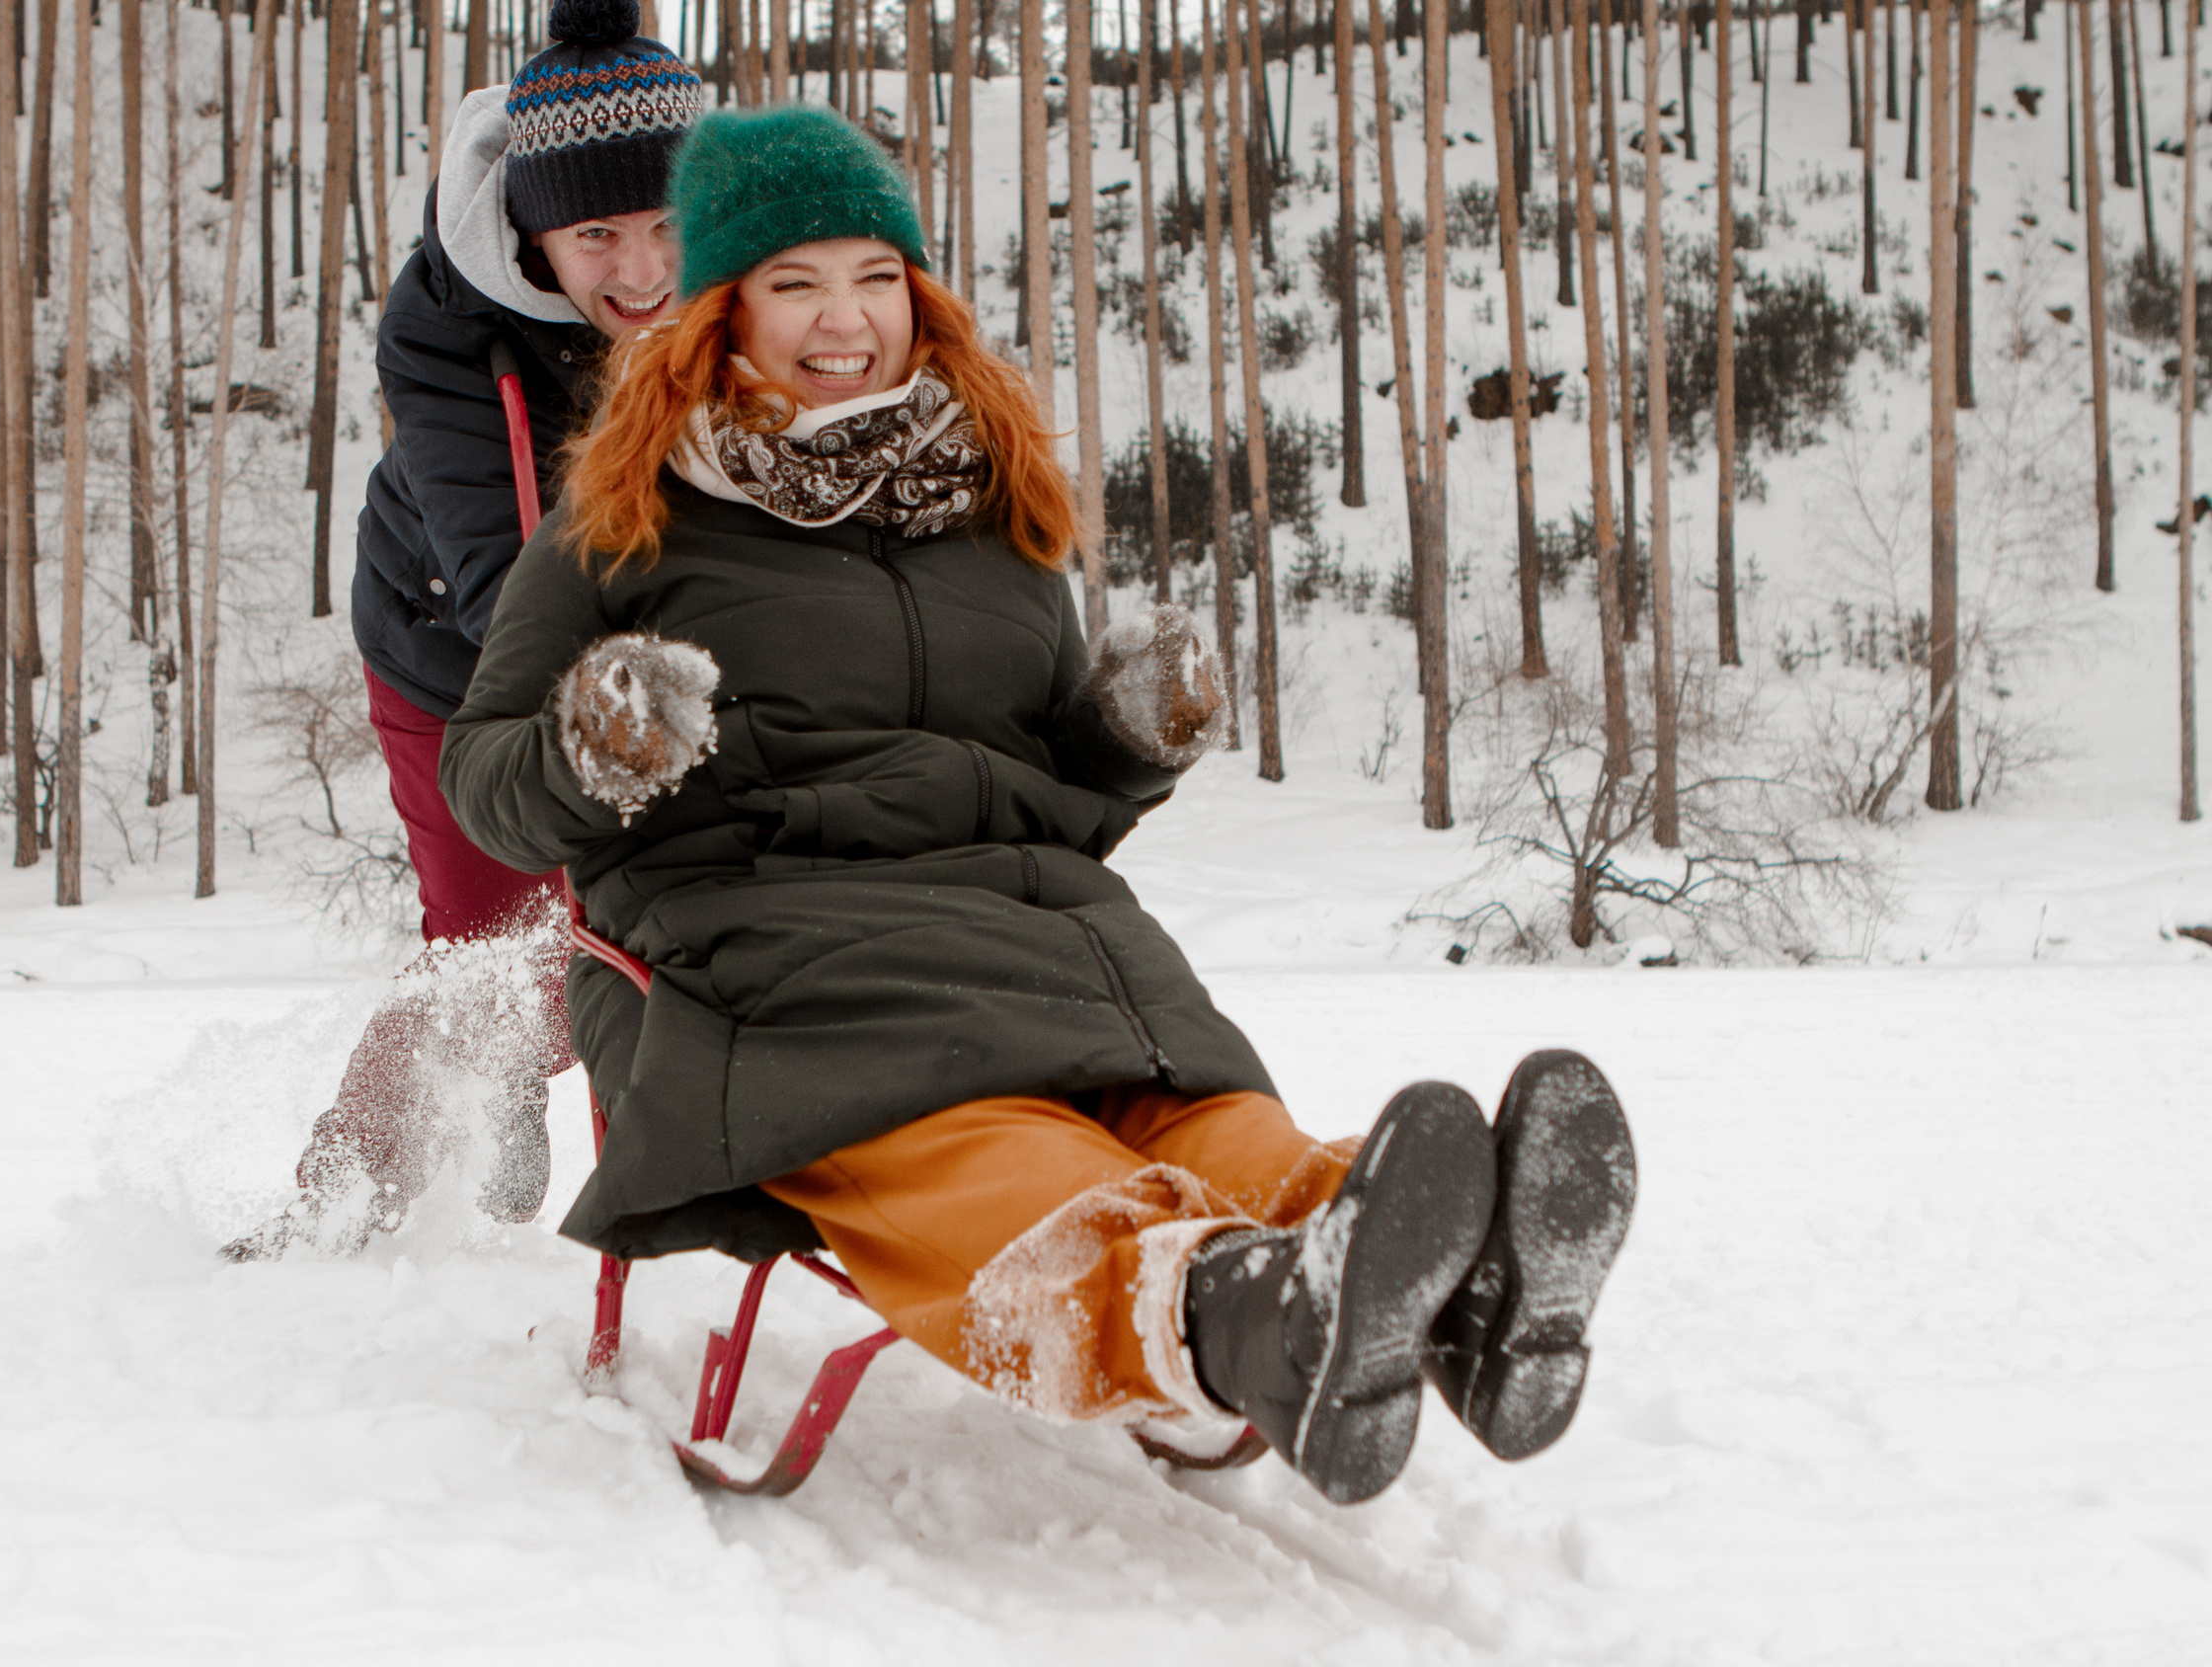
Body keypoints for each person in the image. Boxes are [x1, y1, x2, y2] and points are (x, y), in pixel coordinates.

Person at [437, 106, 1639, 1504]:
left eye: (876, 277)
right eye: (796, 283)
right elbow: (487, 785)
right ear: (720, 314)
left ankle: (1443, 1283)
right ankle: (1237, 1318)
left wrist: (1125, 738)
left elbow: (1057, 798)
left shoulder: (996, 512)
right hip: (761, 950)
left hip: (1038, 920)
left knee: (1197, 1121)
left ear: (919, 291)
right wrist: (599, 743)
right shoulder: (627, 518)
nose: (847, 320)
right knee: (976, 1143)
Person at [222, 0, 703, 1262]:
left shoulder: (751, 282)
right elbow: (503, 572)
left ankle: (620, 1155)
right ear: (534, 227)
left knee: (630, 935)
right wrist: (625, 717)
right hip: (454, 659)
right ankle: (339, 1202)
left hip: (678, 661)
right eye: (598, 235)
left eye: (667, 226)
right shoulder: (447, 323)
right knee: (489, 946)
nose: (643, 273)